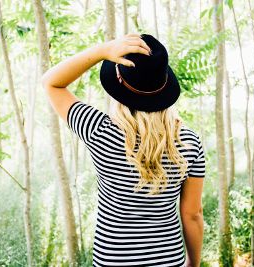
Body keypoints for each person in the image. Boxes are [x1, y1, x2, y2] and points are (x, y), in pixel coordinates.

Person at [42, 33, 205, 267]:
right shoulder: (189, 143)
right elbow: (192, 214)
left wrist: (102, 51)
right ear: (165, 85)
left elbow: (51, 82)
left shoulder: (98, 130)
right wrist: (193, 263)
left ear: (119, 87)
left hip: (112, 261)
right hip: (168, 261)